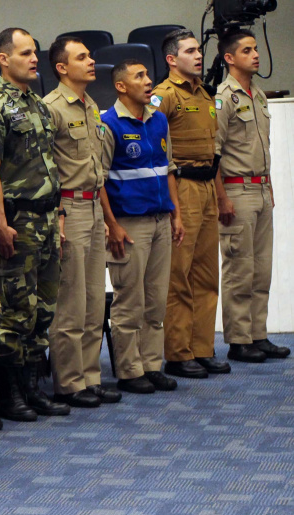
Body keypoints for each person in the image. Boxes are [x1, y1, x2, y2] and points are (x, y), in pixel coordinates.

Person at [0, 28, 68, 421]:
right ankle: (10, 395)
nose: (34, 59)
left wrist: (59, 216)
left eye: (35, 52)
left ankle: (32, 388)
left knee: (43, 309)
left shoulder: (38, 104)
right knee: (17, 311)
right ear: (3, 58)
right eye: (26, 53)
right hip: (19, 219)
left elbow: (50, 165)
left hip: (47, 216)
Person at [43, 37, 121, 408]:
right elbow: (48, 171)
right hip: (69, 209)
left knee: (93, 301)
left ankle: (91, 376)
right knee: (71, 302)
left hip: (92, 207)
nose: (92, 62)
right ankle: (70, 382)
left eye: (90, 56)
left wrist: (105, 217)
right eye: (82, 57)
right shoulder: (52, 108)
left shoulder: (90, 105)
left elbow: (96, 168)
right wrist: (57, 217)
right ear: (62, 67)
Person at [99, 60, 185, 395]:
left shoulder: (159, 119)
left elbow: (168, 168)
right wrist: (111, 224)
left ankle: (152, 365)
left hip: (161, 219)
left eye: (148, 75)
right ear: (121, 86)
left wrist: (176, 215)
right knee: (129, 301)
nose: (149, 81)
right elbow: (100, 180)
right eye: (140, 77)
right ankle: (130, 370)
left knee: (156, 301)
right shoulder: (108, 124)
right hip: (128, 223)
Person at [151, 29, 231, 378]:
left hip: (207, 186)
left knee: (206, 273)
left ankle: (202, 347)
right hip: (180, 186)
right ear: (172, 59)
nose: (199, 55)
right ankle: (179, 352)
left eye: (199, 49)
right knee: (178, 275)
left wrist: (221, 194)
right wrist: (171, 206)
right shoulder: (163, 96)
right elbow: (155, 149)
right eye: (190, 51)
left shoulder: (205, 94)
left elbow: (212, 152)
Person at [215, 29, 289, 362]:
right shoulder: (223, 98)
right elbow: (212, 154)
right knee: (239, 268)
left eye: (256, 48)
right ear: (230, 58)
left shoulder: (256, 93)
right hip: (236, 189)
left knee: (261, 269)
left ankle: (258, 334)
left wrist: (269, 186)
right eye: (247, 50)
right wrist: (221, 198)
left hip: (261, 187)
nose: (256, 54)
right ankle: (239, 339)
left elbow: (264, 148)